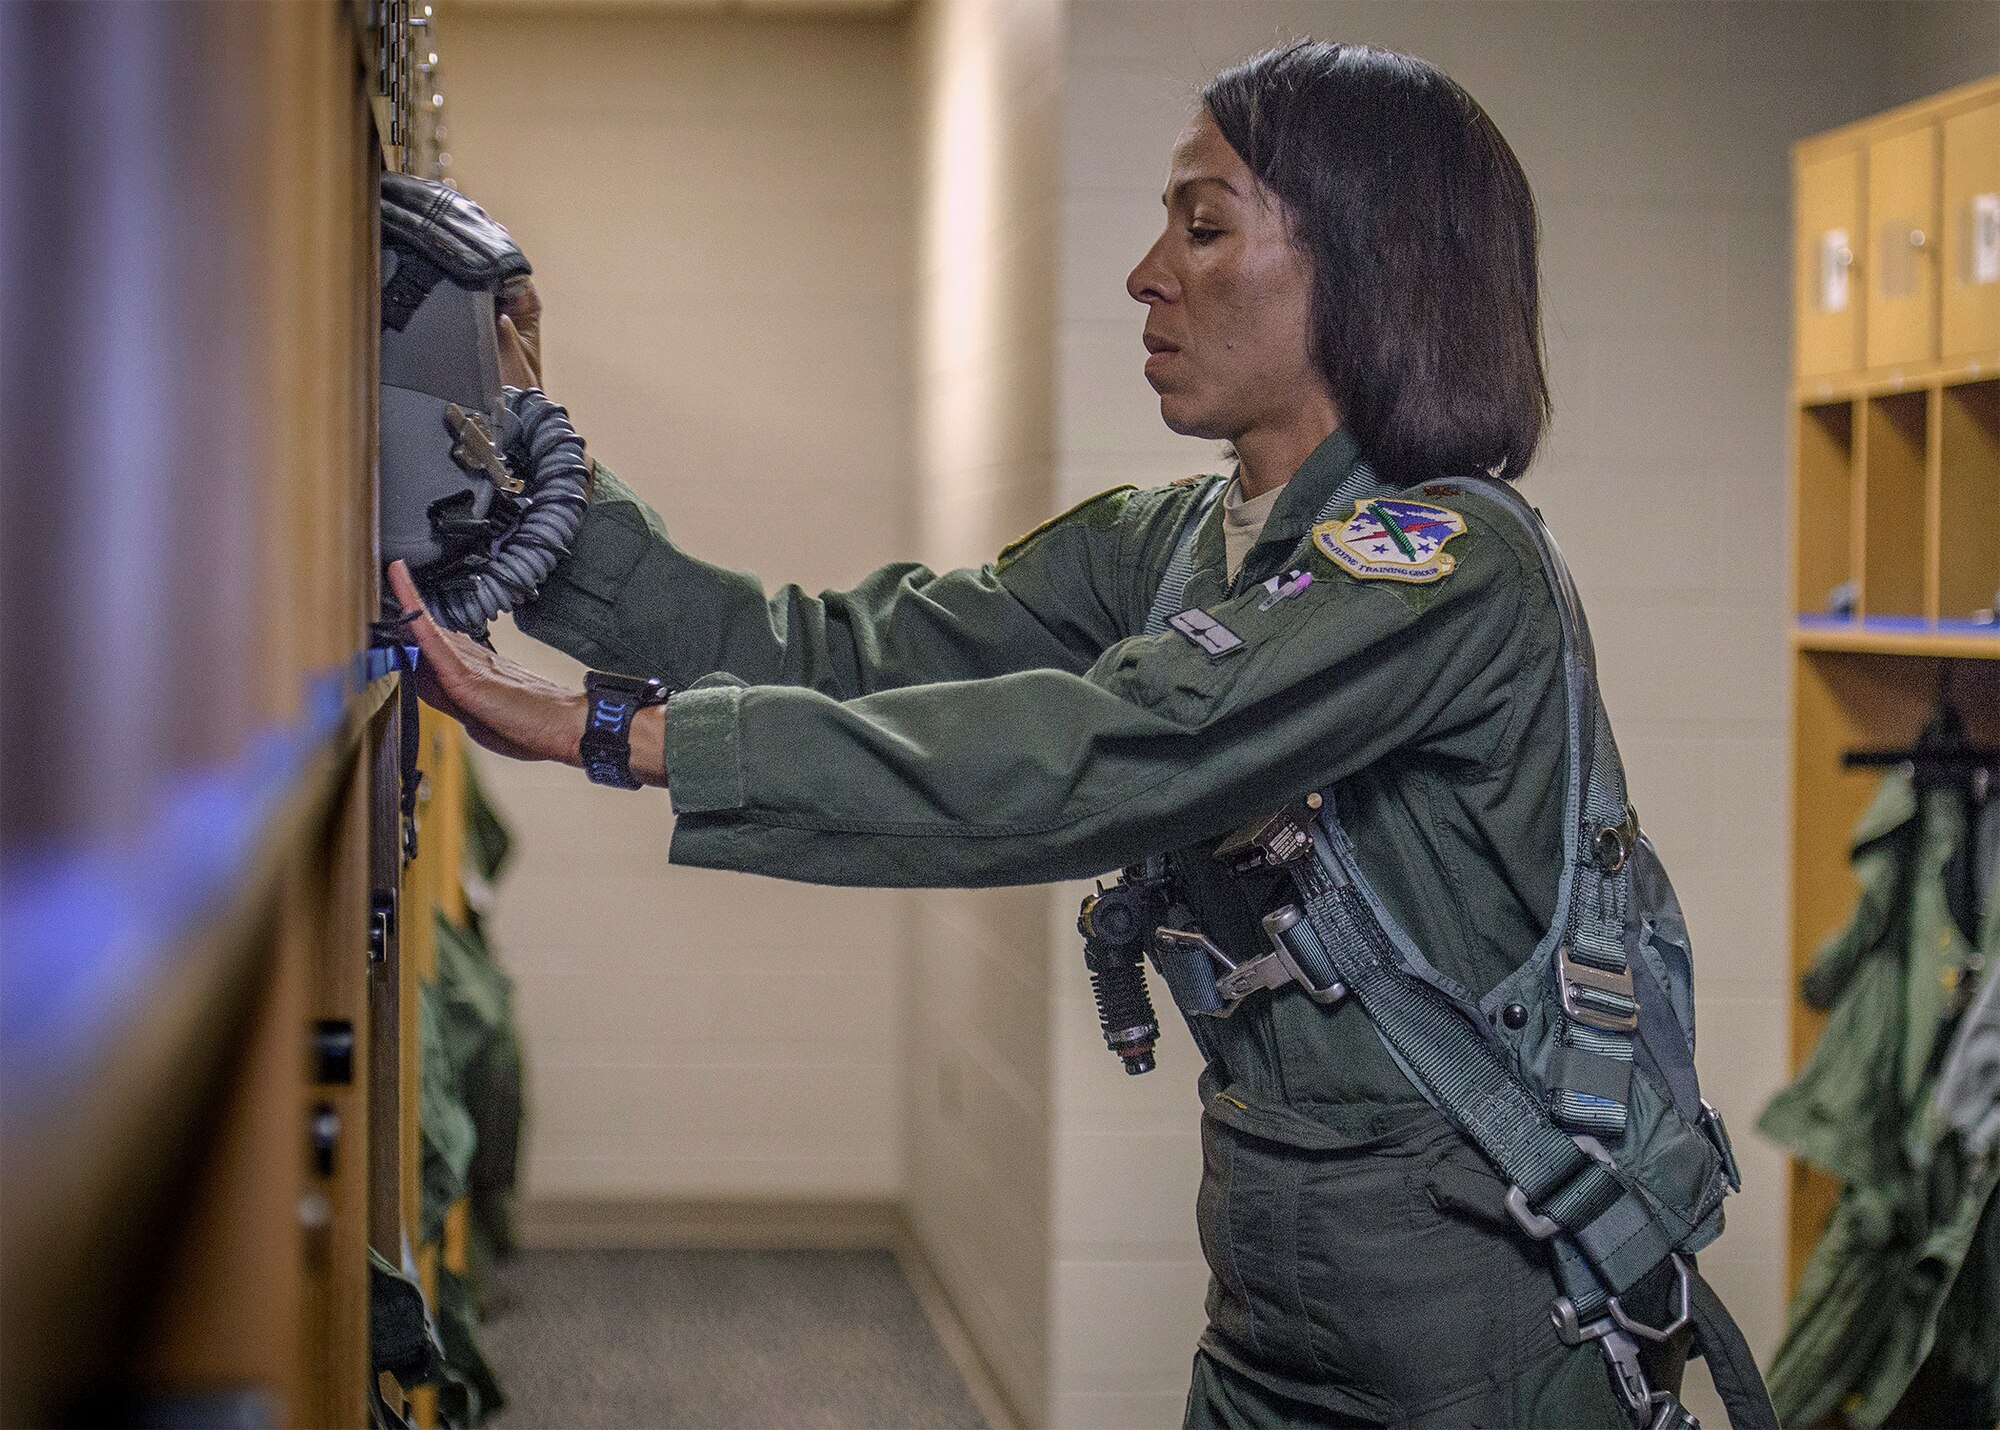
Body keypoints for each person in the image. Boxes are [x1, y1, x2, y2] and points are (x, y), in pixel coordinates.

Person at [392, 41, 1756, 1430]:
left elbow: (1125, 742)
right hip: (1270, 1314)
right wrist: (522, 477)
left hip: (1489, 1334)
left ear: (1366, 266)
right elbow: (833, 650)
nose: (1147, 270)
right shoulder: (1170, 547)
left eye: (1205, 224)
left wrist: (619, 734)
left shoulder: (1450, 565)